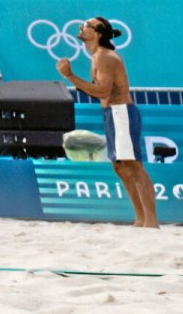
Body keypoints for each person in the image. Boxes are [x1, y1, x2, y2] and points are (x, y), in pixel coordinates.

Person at [56, 16, 156, 228]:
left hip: (121, 112)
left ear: (98, 33)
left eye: (86, 25)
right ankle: (140, 218)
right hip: (112, 113)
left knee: (134, 165)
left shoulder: (105, 57)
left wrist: (70, 76)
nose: (81, 27)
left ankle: (151, 221)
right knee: (120, 166)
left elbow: (102, 90)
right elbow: (100, 93)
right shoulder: (97, 57)